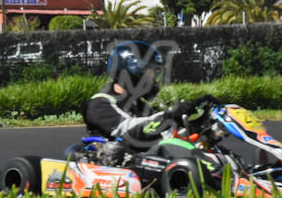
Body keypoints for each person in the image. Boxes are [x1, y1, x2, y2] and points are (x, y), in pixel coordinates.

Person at [82, 40, 212, 151]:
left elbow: (164, 133)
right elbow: (130, 131)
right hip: (115, 173)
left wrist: (200, 123)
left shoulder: (137, 104)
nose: (153, 79)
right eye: (148, 74)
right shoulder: (99, 104)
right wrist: (169, 115)